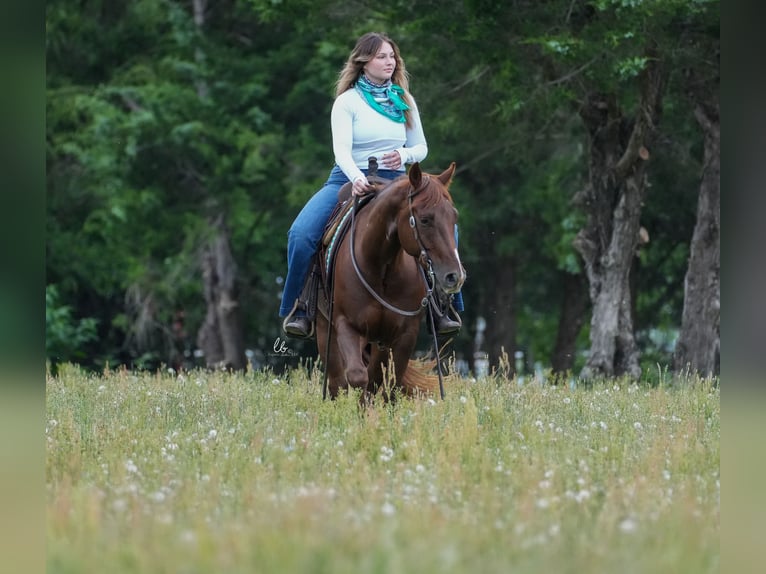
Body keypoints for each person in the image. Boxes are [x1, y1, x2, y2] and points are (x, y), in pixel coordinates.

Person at [280, 32, 463, 338]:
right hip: (350, 177)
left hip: (399, 181)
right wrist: (357, 178)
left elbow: (421, 148)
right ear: (363, 62)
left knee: (447, 227)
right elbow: (341, 151)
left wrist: (403, 154)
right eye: (381, 56)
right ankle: (301, 307)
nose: (389, 62)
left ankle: (444, 306)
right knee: (301, 234)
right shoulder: (347, 102)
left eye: (392, 56)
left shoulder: (403, 100)